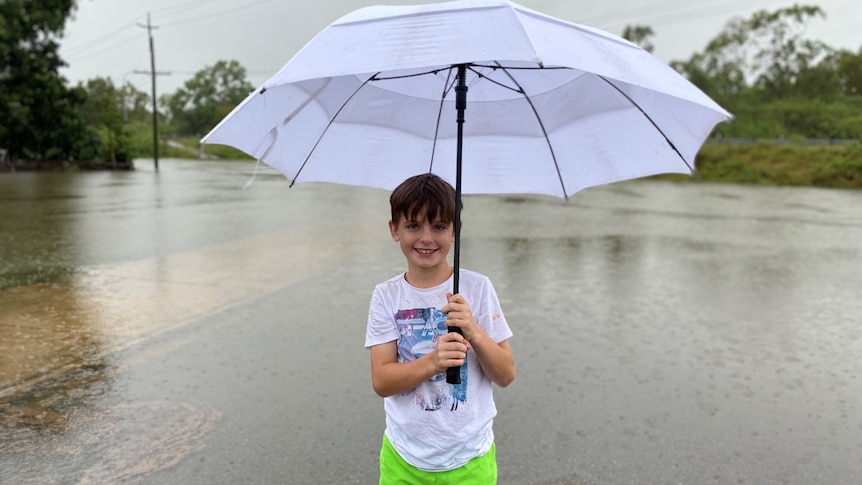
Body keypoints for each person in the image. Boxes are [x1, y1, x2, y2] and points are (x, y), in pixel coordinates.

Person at [365, 173, 515, 484]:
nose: (426, 238)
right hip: (403, 459)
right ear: (394, 229)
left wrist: (472, 330)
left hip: (470, 458)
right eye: (413, 226)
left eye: (439, 226)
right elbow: (382, 381)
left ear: (455, 230)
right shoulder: (386, 295)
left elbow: (505, 374)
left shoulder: (477, 288)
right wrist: (433, 361)